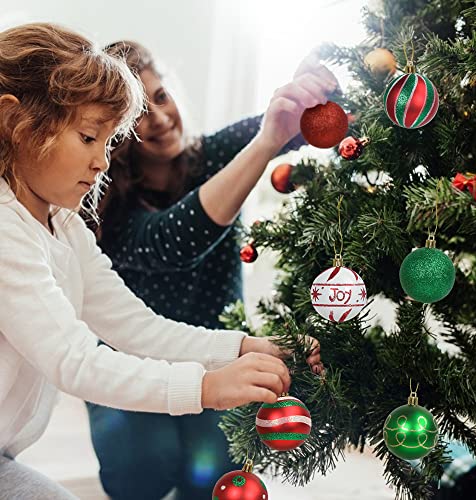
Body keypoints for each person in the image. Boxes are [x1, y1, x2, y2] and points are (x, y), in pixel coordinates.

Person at [0, 23, 323, 500]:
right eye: (89, 137)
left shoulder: (63, 225)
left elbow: (135, 326)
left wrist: (245, 346)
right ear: (15, 126)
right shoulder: (8, 231)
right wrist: (207, 387)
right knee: (141, 462)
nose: (102, 162)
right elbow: (75, 360)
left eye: (109, 143)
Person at [85, 41, 336, 499]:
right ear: (113, 132)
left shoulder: (214, 151)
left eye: (160, 97)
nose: (159, 118)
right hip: (133, 361)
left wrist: (311, 93)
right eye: (138, 112)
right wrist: (265, 141)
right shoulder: (105, 203)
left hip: (220, 353)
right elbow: (173, 242)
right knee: (143, 468)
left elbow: (311, 123)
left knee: (215, 477)